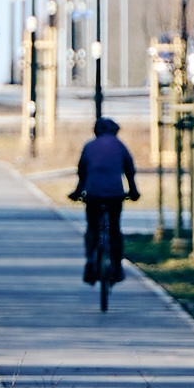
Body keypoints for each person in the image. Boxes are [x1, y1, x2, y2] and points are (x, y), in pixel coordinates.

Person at [72, 116, 138, 285]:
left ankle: (89, 262)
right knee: (115, 229)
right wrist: (133, 190)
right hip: (115, 194)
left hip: (93, 194)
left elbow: (82, 171)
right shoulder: (120, 146)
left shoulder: (89, 146)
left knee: (92, 227)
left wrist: (78, 192)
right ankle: (117, 266)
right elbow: (129, 170)